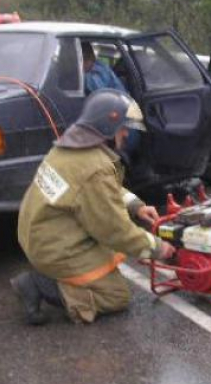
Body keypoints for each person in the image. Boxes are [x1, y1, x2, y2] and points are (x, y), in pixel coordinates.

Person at [14, 88, 175, 325]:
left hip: (38, 235)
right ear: (107, 128)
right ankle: (39, 285)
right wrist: (158, 248)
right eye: (123, 127)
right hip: (55, 248)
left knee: (108, 261)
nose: (126, 134)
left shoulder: (68, 149)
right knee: (115, 295)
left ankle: (52, 275)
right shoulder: (94, 167)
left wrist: (136, 206)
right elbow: (114, 229)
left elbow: (98, 190)